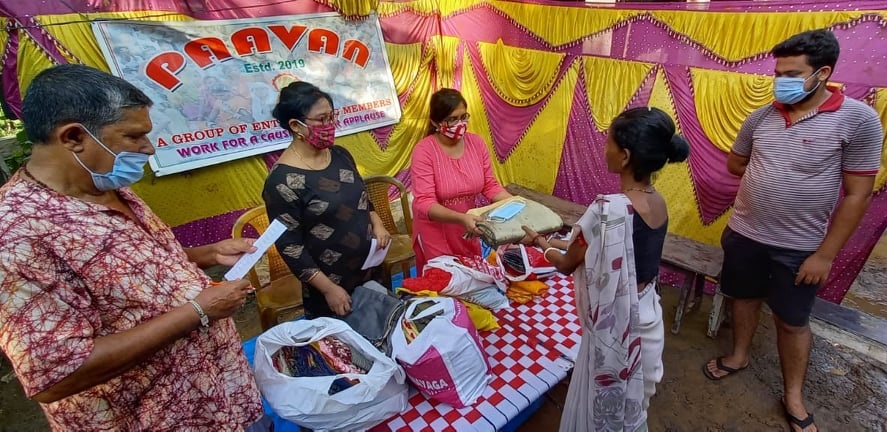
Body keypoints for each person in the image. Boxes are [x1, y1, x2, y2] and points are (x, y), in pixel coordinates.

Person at [0, 64, 265, 430]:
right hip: (156, 418)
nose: (148, 148)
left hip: (224, 396)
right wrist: (197, 311)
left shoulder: (105, 186)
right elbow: (56, 376)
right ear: (74, 137)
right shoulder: (15, 234)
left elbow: (134, 268)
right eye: (134, 136)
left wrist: (208, 254)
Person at [703, 30, 883, 432]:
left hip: (800, 248)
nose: (780, 81)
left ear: (823, 73)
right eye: (778, 73)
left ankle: (794, 396)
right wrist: (772, 175)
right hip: (744, 233)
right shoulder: (761, 116)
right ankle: (738, 356)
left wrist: (825, 255)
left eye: (792, 74)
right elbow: (736, 163)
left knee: (792, 321)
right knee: (743, 298)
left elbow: (858, 194)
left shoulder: (859, 120)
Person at [523, 107, 690, 431]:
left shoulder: (606, 210)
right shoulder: (657, 202)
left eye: (608, 142)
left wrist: (540, 244)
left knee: (598, 413)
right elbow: (592, 247)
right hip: (647, 317)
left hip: (616, 327)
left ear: (624, 156)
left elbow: (567, 263)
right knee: (630, 409)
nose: (604, 149)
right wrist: (549, 241)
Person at [263, 82, 391, 318]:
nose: (330, 125)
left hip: (371, 268)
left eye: (332, 117)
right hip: (331, 287)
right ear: (295, 125)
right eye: (321, 119)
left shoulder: (341, 155)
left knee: (387, 327)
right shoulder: (282, 182)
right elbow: (290, 247)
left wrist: (378, 224)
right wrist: (329, 289)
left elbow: (362, 199)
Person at [410, 88, 512, 271]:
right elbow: (424, 202)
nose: (460, 124)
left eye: (463, 117)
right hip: (436, 233)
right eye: (452, 119)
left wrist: (515, 203)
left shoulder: (476, 143)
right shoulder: (424, 151)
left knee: (472, 278)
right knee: (446, 280)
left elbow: (489, 185)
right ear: (435, 122)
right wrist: (461, 218)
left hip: (468, 229)